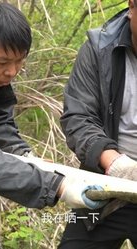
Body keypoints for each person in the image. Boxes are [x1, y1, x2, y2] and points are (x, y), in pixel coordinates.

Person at [0, 2, 107, 249]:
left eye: (19, 62)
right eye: (3, 62)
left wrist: (25, 157)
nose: (12, 72)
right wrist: (57, 186)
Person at [59, 0, 137, 248]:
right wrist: (117, 166)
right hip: (105, 188)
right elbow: (78, 118)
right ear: (131, 6)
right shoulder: (99, 49)